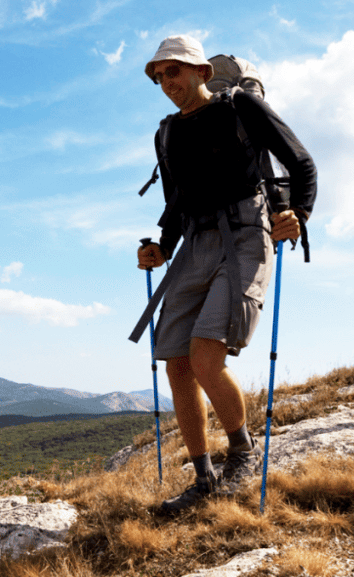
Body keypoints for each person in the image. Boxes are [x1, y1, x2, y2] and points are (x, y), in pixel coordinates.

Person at [135, 35, 316, 513]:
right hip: (195, 241)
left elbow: (300, 162)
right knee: (176, 363)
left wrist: (297, 212)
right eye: (159, 76)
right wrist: (161, 247)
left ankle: (243, 455)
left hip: (245, 234)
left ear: (201, 71)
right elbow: (176, 204)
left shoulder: (240, 106)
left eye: (173, 71)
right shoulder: (166, 134)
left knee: (204, 355)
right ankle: (203, 478)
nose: (166, 82)